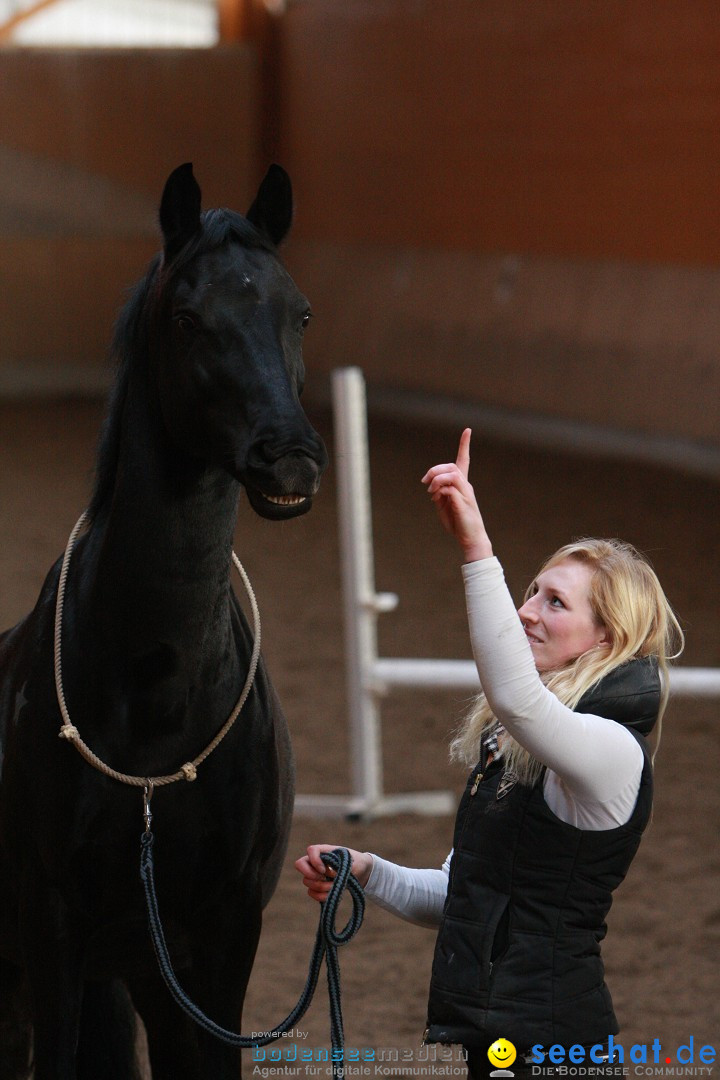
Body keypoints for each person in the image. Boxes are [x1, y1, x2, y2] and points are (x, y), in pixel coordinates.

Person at [296, 429, 683, 1078]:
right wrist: (368, 872)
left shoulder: (612, 750)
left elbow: (514, 695)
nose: (527, 611)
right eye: (531, 591)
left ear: (606, 638)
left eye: (554, 602)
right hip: (501, 1044)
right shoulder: (517, 749)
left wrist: (476, 548)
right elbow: (462, 894)